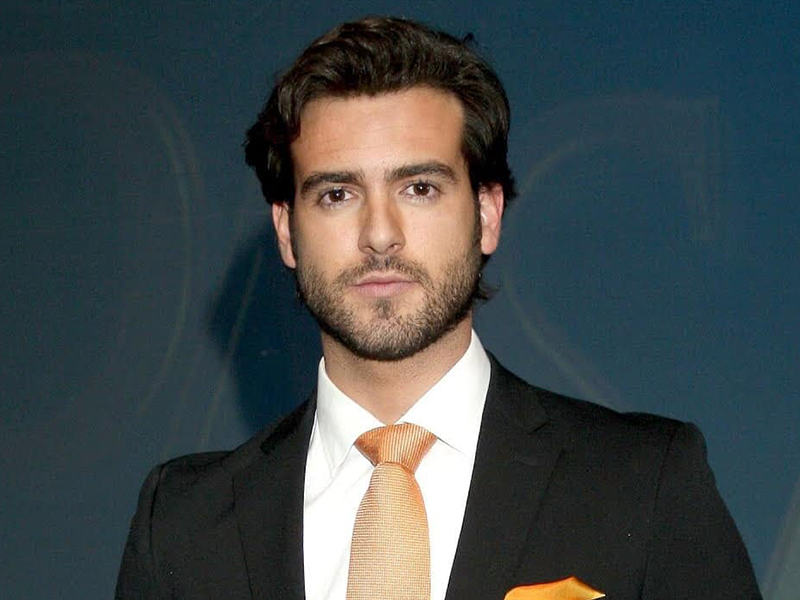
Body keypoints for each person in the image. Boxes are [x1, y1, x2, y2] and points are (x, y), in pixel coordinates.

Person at [115, 16, 762, 600]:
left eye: (419, 188)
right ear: (286, 231)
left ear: (487, 214)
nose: (380, 234)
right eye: (337, 194)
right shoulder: (181, 525)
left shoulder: (643, 484)